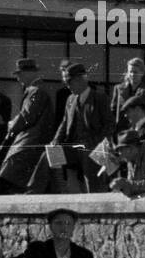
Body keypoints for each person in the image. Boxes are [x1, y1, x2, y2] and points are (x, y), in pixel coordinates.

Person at [41, 63, 114, 193]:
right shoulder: (70, 99)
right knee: (49, 153)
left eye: (70, 82)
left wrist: (94, 143)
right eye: (66, 82)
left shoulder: (99, 98)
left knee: (89, 165)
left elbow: (109, 126)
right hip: (73, 147)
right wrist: (55, 141)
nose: (67, 86)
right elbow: (64, 123)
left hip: (94, 148)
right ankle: (56, 192)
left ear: (82, 79)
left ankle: (93, 199)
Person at [0, 59, 56, 194]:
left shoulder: (36, 90)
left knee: (6, 177)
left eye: (19, 74)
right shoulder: (37, 89)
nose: (17, 78)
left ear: (29, 73)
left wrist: (11, 125)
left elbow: (27, 115)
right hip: (32, 142)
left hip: (30, 142)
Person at [112, 57, 145, 132]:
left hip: (141, 131)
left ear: (142, 73)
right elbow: (113, 111)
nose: (132, 74)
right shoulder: (118, 89)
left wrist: (144, 128)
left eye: (135, 72)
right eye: (130, 72)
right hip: (122, 132)